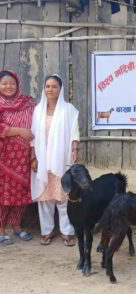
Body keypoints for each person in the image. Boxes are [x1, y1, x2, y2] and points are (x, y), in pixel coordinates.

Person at [31, 74, 80, 246]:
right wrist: (33, 157)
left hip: (62, 158)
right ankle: (47, 231)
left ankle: (67, 231)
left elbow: (75, 132)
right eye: (47, 86)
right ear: (43, 89)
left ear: (61, 89)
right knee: (45, 198)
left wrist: (74, 149)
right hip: (42, 160)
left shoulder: (69, 110)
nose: (50, 89)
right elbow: (33, 137)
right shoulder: (37, 110)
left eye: (54, 86)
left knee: (63, 196)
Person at [0, 70, 35, 245]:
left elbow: (38, 121)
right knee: (3, 195)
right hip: (3, 158)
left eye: (12, 83)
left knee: (20, 193)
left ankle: (17, 227)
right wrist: (19, 131)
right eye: (4, 83)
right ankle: (1, 230)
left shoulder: (28, 103)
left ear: (18, 84)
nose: (8, 86)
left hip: (23, 157)